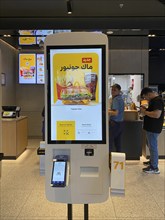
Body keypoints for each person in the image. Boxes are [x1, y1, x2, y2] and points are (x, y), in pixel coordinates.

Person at [140, 87, 164, 174]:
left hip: (153, 128)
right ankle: (152, 162)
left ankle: (154, 167)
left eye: (145, 97)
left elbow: (157, 115)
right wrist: (146, 110)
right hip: (150, 128)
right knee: (150, 145)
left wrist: (144, 112)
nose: (145, 99)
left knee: (153, 147)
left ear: (149, 94)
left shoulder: (157, 101)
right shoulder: (153, 100)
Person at [109, 84, 124, 153]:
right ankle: (119, 159)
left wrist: (106, 112)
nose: (112, 91)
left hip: (114, 124)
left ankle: (109, 159)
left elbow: (115, 113)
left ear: (119, 91)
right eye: (112, 90)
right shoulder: (121, 98)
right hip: (120, 123)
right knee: (118, 144)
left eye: (115, 90)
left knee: (110, 142)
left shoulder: (115, 99)